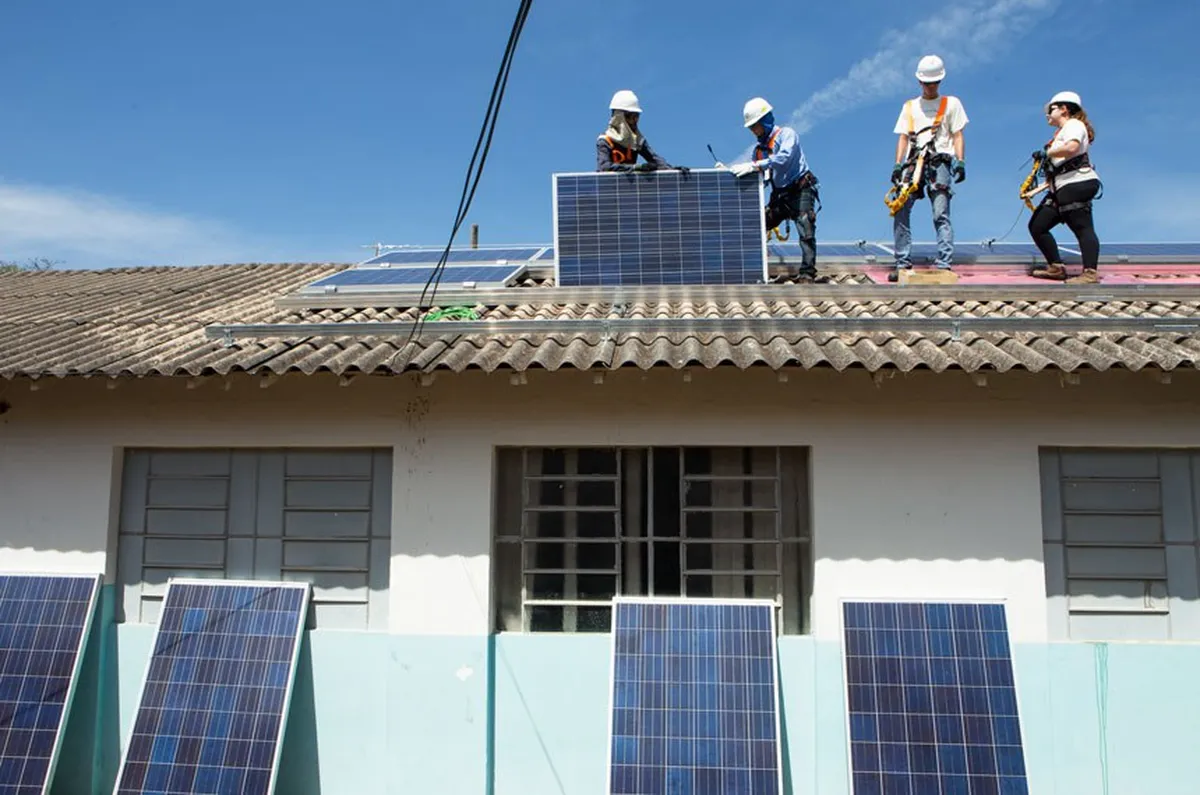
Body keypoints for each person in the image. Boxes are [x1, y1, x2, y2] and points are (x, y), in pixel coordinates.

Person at [888, 54, 968, 282]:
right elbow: (903, 137)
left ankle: (944, 264)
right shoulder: (910, 106)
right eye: (926, 83)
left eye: (934, 83)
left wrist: (960, 161)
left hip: (940, 161)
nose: (930, 87)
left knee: (940, 213)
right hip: (913, 162)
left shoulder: (951, 104)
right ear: (920, 82)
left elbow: (957, 135)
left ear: (939, 82)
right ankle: (902, 263)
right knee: (900, 209)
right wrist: (897, 164)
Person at [729, 97, 824, 282]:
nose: (753, 131)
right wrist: (726, 175)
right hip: (780, 196)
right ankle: (751, 268)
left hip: (800, 189)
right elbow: (761, 179)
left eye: (754, 126)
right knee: (761, 224)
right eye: (750, 128)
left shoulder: (786, 135)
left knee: (805, 227)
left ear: (764, 120)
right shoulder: (759, 151)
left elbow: (784, 158)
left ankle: (807, 273)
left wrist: (756, 166)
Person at [1028, 91, 1102, 284]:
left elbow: (1071, 148)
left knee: (1082, 227)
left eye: (1051, 109)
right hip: (1061, 186)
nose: (1048, 113)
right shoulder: (1061, 132)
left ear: (1064, 109)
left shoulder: (1074, 125)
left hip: (1077, 183)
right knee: (1038, 226)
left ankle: (1090, 273)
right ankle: (1055, 267)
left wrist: (1047, 152)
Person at [596, 90, 672, 173]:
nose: (634, 120)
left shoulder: (637, 140)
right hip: (610, 185)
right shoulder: (605, 140)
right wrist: (635, 167)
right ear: (618, 117)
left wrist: (673, 170)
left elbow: (655, 160)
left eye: (636, 116)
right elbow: (604, 167)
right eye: (630, 116)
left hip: (630, 185)